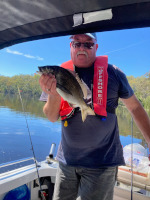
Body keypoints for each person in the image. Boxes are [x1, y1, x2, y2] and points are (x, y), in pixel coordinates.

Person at [39, 33, 150, 200]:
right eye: (77, 43)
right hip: (66, 162)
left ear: (96, 47)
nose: (82, 47)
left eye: (88, 44)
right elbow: (51, 116)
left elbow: (135, 108)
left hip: (102, 164)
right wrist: (53, 94)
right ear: (71, 46)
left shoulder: (114, 73)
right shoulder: (57, 75)